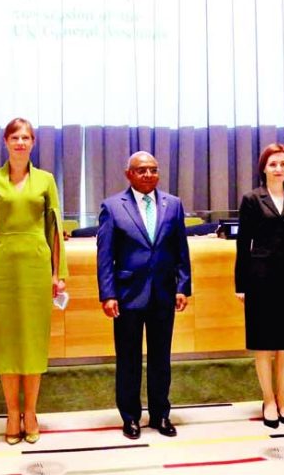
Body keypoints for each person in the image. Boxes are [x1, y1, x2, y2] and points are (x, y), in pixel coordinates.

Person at [0, 118, 68, 445]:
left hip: (36, 267)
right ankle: (12, 413)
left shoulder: (46, 180)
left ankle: (32, 412)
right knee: (6, 344)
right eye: (15, 137)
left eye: (26, 137)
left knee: (32, 343)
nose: (21, 142)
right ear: (5, 141)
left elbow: (55, 230)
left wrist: (59, 274)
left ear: (33, 143)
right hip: (1, 268)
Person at [96, 151, 192, 440]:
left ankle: (161, 414)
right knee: (128, 359)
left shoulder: (173, 205)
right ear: (129, 174)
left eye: (153, 170)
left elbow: (181, 250)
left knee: (161, 358)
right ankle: (130, 417)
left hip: (164, 293)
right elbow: (105, 255)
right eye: (141, 170)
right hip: (127, 296)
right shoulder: (112, 207)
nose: (148, 175)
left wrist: (182, 286)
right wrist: (108, 294)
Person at [234, 143, 284, 428]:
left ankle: (283, 399)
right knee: (264, 344)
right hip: (260, 278)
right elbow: (243, 245)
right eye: (273, 164)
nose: (279, 169)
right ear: (264, 167)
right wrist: (241, 284)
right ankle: (267, 400)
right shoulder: (252, 199)